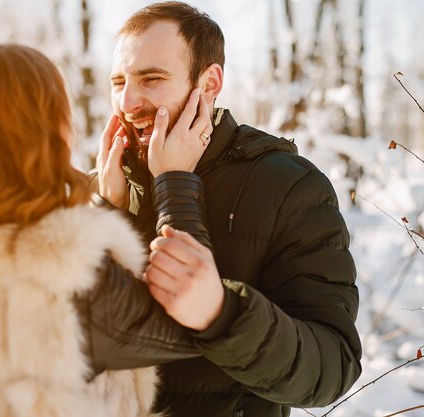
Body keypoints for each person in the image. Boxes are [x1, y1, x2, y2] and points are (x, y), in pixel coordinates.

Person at [0, 43, 211, 417]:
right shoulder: (63, 270)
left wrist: (107, 206)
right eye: (60, 113)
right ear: (30, 135)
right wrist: (175, 181)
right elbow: (194, 315)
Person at [94, 2, 363, 416]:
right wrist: (111, 213)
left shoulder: (288, 185)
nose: (127, 102)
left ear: (209, 83)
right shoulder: (107, 185)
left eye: (151, 79)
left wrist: (224, 314)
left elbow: (332, 368)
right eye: (118, 82)